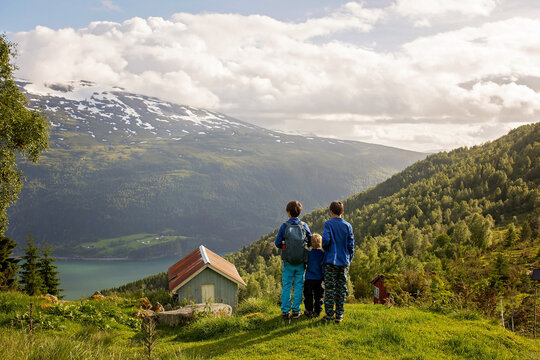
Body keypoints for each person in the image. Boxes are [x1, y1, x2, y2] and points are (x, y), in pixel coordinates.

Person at [275, 200, 312, 319]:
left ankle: (285, 312)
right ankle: (296, 311)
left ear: (288, 213)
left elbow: (277, 243)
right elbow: (310, 241)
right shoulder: (304, 226)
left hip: (288, 261)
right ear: (299, 212)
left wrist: (286, 248)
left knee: (286, 286)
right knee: (299, 285)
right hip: (301, 262)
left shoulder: (284, 226)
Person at [322, 201, 354, 323]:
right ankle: (339, 315)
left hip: (331, 261)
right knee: (341, 289)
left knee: (330, 288)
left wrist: (327, 249)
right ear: (342, 212)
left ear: (331, 211)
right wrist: (349, 259)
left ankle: (329, 314)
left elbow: (325, 240)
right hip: (344, 262)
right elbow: (351, 245)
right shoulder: (348, 226)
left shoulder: (328, 224)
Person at [303, 233, 325, 318]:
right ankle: (317, 312)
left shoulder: (309, 253)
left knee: (308, 295)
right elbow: (323, 266)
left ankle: (309, 310)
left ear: (311, 243)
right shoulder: (323, 254)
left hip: (309, 278)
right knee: (318, 296)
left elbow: (305, 263)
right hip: (319, 278)